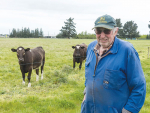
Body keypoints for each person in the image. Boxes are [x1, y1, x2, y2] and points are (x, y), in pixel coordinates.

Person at [81, 14, 146, 113]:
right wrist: (86, 94)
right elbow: (89, 76)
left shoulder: (127, 51)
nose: (102, 36)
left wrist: (128, 111)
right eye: (98, 31)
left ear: (115, 31)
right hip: (88, 109)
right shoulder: (90, 48)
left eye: (107, 31)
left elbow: (139, 86)